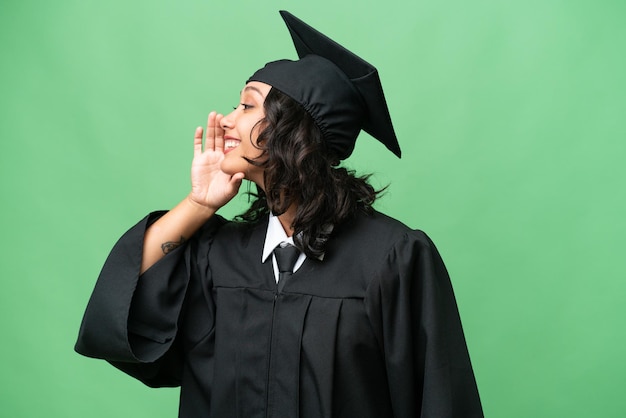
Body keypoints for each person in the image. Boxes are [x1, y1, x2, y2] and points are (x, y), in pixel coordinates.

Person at [75, 11, 483, 418]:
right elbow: (124, 309)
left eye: (247, 105)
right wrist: (199, 204)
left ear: (294, 130)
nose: (228, 119)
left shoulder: (391, 259)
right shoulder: (219, 255)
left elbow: (441, 399)